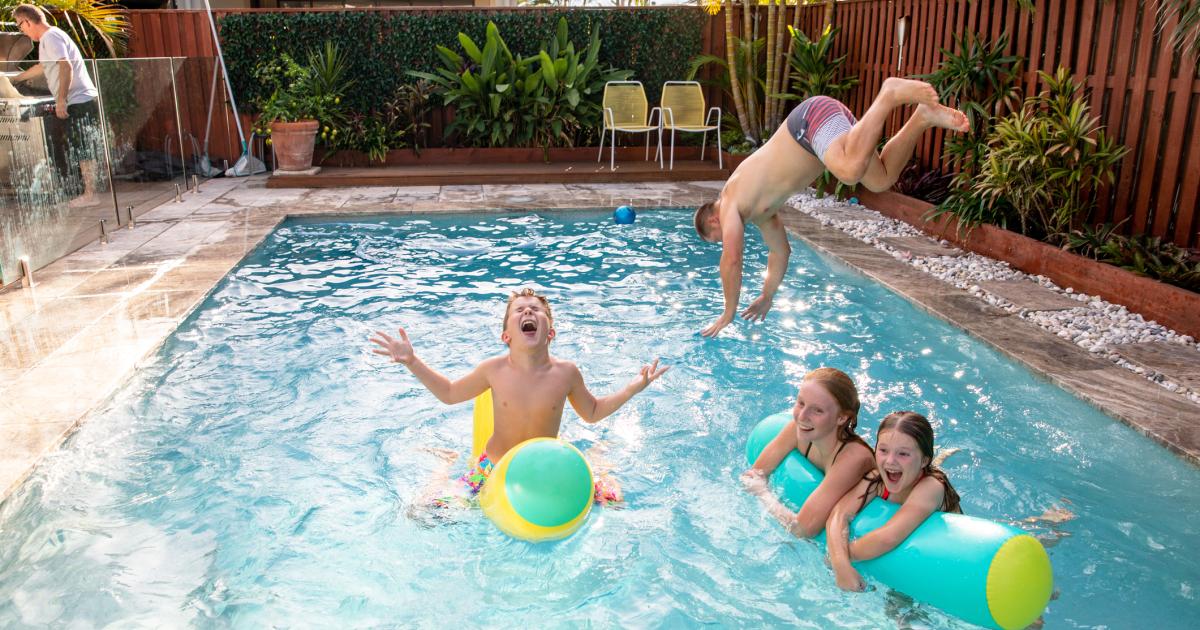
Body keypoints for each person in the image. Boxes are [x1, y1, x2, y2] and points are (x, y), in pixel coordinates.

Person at [693, 78, 970, 337]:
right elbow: (779, 251)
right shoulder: (760, 212)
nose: (726, 239)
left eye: (717, 238)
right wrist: (767, 296)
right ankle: (922, 118)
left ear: (713, 221)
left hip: (809, 123)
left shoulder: (729, 199)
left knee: (849, 171)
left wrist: (727, 313)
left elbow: (731, 259)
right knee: (881, 178)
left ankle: (889, 93)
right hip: (822, 134)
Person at [370, 288, 669, 509]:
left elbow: (591, 412)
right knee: (424, 513)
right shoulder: (493, 370)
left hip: (548, 466)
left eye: (536, 309)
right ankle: (445, 464)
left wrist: (633, 387)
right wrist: (412, 361)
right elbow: (449, 393)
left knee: (615, 504)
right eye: (520, 310)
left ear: (550, 332)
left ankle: (596, 461)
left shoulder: (566, 373)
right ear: (506, 336)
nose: (528, 312)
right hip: (493, 469)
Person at [826, 411, 962, 591]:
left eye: (903, 454)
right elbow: (839, 514)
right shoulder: (877, 479)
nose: (890, 461)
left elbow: (888, 537)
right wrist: (840, 562)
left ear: (924, 461)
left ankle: (939, 459)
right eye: (883, 450)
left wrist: (840, 562)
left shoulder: (931, 487)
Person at [741, 367, 875, 537]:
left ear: (841, 418)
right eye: (801, 403)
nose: (802, 416)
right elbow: (753, 474)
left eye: (817, 410)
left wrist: (762, 493)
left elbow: (803, 529)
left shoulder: (853, 459)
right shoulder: (799, 429)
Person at [11, 4, 101, 207]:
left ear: (27, 21)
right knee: (80, 147)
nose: (22, 30)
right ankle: (87, 193)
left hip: (79, 100)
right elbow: (43, 67)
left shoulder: (50, 37)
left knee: (84, 148)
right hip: (78, 99)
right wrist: (15, 79)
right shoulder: (48, 39)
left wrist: (61, 100)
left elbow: (65, 65)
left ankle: (90, 195)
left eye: (20, 26)